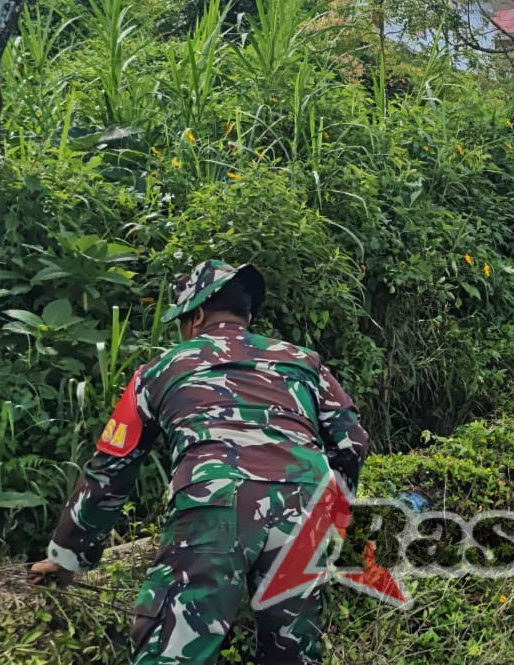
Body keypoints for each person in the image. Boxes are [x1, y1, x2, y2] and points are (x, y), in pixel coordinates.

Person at [30, 260, 368, 662]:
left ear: (197, 315)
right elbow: (352, 443)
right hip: (305, 506)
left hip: (214, 502)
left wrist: (69, 556)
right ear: (247, 315)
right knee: (292, 651)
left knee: (173, 650)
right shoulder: (303, 362)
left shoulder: (158, 370)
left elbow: (110, 469)